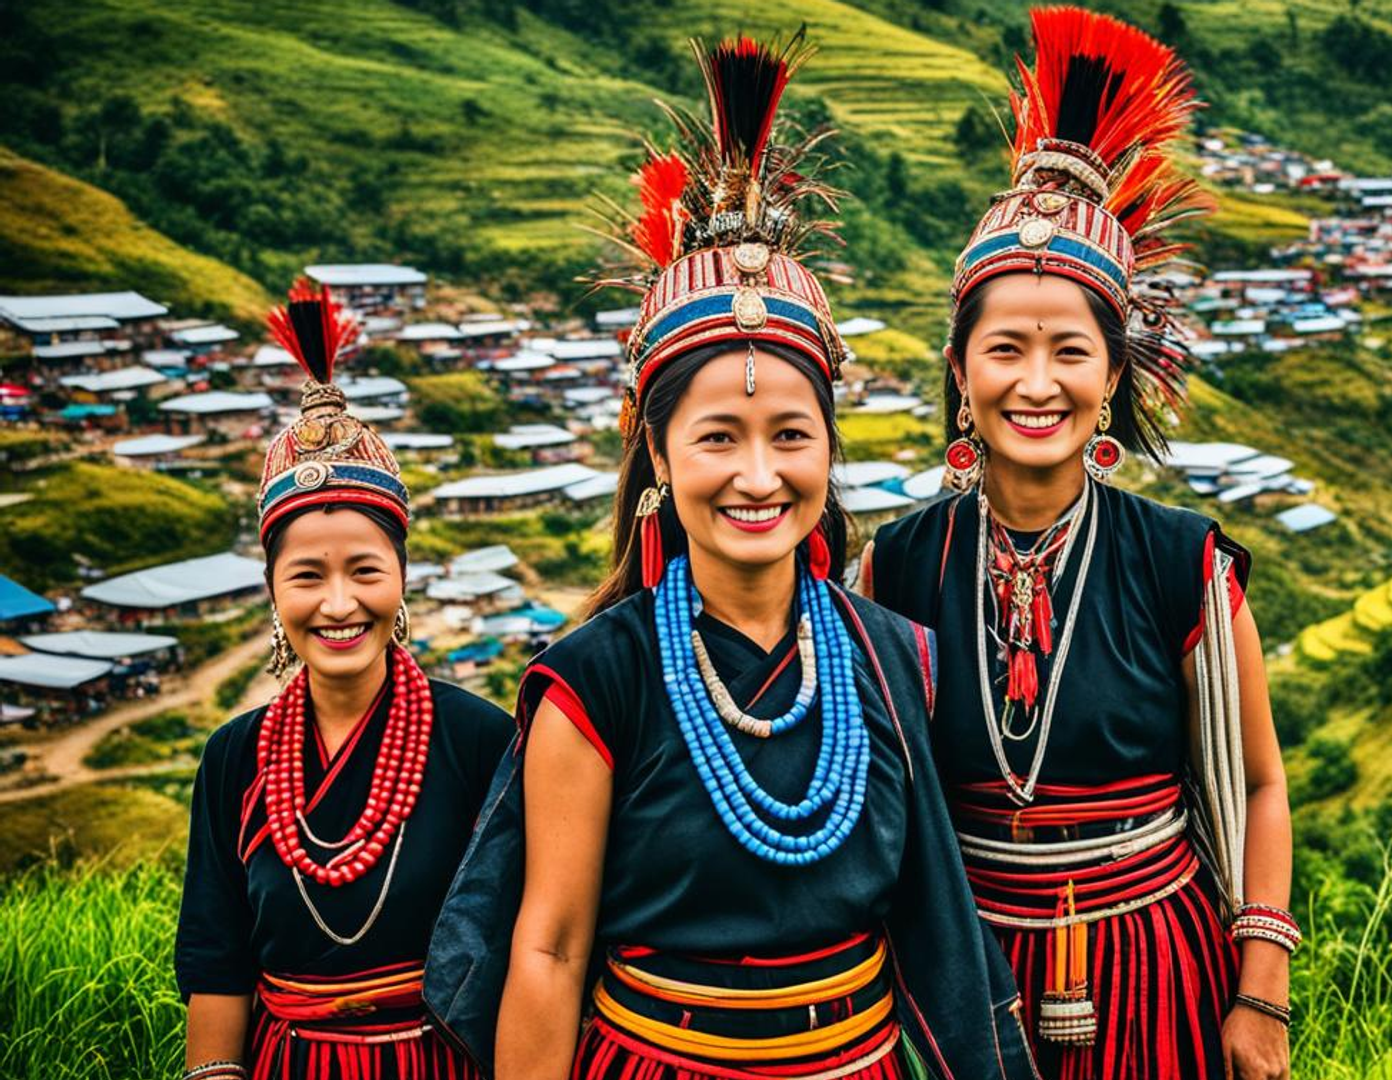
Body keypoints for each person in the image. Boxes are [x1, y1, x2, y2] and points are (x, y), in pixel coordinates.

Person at [422, 32, 1037, 1080]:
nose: (759, 475)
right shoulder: (595, 681)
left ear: (829, 449)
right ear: (657, 451)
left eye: (791, 435)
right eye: (719, 436)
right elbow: (549, 946)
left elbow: (935, 914)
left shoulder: (894, 658)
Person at [860, 8, 1297, 1080]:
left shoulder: (1180, 564)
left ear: (1113, 376)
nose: (1037, 381)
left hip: (1163, 964)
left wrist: (1261, 995)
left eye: (1070, 348)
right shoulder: (896, 568)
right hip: (961, 974)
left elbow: (1263, 788)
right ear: (961, 373)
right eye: (1005, 347)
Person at [174, 280, 514, 1080]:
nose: (337, 604)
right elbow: (217, 967)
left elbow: (523, 943)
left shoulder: (480, 738)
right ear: (272, 591)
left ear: (403, 577)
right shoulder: (235, 760)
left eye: (365, 569)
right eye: (305, 577)